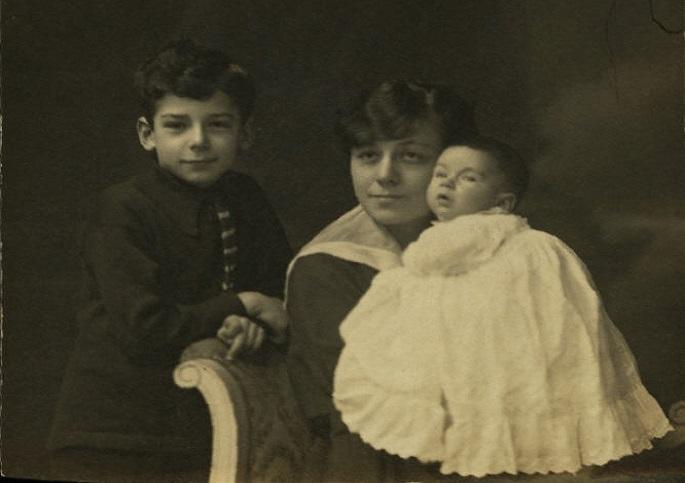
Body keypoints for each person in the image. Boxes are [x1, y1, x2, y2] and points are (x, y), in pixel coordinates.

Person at [333, 137, 673, 477]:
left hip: (520, 369)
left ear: (503, 202)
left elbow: (562, 319)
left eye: (468, 178)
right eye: (440, 174)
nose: (447, 183)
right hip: (459, 370)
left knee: (535, 453)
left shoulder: (533, 248)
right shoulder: (430, 249)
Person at [48, 39, 292, 482]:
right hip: (116, 433)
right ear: (148, 134)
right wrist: (243, 305)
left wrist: (247, 326)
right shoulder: (123, 208)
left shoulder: (247, 199)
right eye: (177, 126)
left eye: (217, 125)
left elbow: (276, 292)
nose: (198, 142)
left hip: (208, 421)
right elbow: (146, 329)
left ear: (246, 133)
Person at [285, 79, 477, 482]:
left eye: (410, 156)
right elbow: (372, 400)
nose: (385, 175)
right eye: (368, 156)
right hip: (378, 463)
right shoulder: (327, 268)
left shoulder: (477, 245)